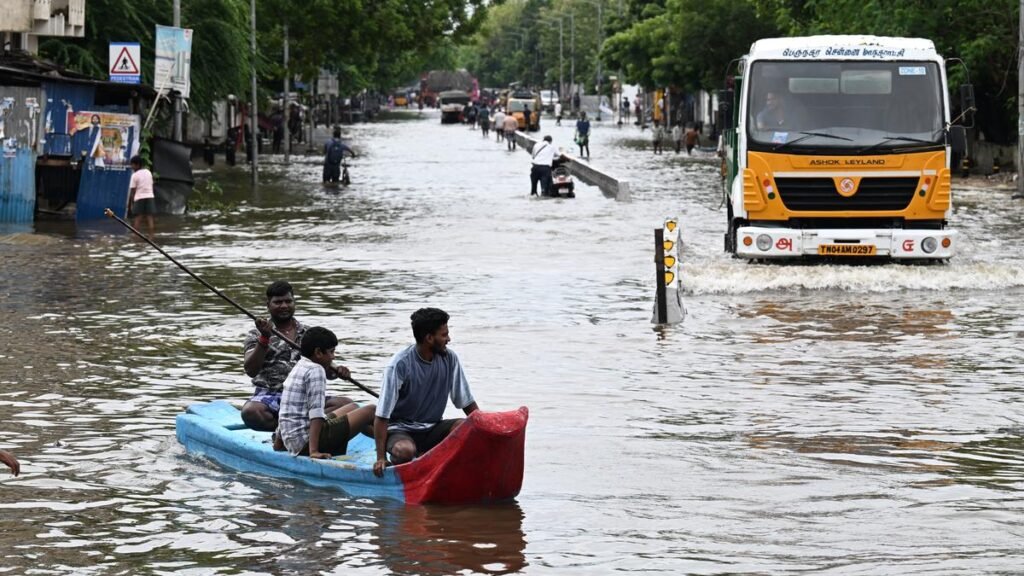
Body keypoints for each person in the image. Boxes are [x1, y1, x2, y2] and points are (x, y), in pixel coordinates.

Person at [372, 308, 479, 477]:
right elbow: (382, 416)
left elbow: (466, 403)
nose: (448, 339)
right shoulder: (399, 364)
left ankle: (430, 459)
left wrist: (484, 428)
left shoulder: (450, 359)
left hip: (432, 428)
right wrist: (380, 458)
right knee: (405, 451)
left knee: (468, 427)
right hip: (401, 429)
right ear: (429, 338)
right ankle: (409, 460)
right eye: (444, 335)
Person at [241, 280, 352, 431]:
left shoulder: (310, 333)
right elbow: (250, 370)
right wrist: (264, 339)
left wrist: (338, 372)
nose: (284, 306)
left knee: (346, 405)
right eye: (278, 302)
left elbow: (326, 370)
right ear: (268, 305)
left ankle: (303, 427)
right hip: (271, 396)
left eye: (288, 301)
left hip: (306, 397)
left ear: (294, 303)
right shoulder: (256, 334)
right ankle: (287, 430)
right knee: (251, 412)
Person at [274, 326, 376, 458]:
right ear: (318, 353)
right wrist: (314, 451)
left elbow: (286, 409)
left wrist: (279, 441)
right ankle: (387, 447)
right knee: (371, 410)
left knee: (354, 407)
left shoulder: (300, 365)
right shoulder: (317, 370)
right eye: (331, 352)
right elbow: (316, 413)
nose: (333, 357)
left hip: (293, 441)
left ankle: (383, 441)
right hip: (305, 444)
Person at [127, 155, 155, 235]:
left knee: (138, 218)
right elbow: (151, 185)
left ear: (137, 165)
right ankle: (151, 237)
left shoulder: (134, 175)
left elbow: (133, 190)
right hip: (150, 196)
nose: (131, 166)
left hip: (139, 198)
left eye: (132, 164)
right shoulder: (148, 172)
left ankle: (135, 237)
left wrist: (132, 203)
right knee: (150, 218)